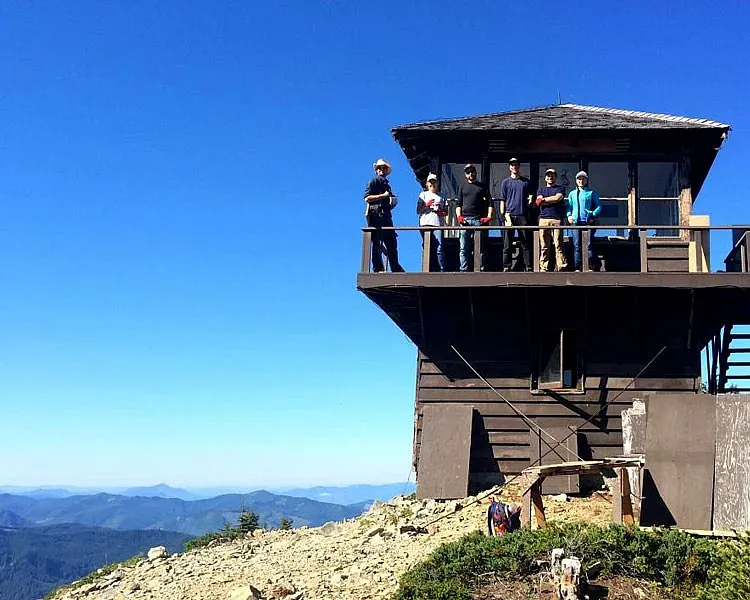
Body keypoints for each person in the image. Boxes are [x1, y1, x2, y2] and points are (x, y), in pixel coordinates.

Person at [364, 158, 404, 273]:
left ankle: (395, 267)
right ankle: (378, 268)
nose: (382, 170)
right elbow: (367, 198)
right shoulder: (373, 181)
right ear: (376, 170)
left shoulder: (387, 185)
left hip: (386, 215)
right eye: (380, 168)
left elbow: (389, 200)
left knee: (392, 242)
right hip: (376, 214)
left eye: (384, 168)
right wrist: (384, 195)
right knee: (377, 242)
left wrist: (391, 201)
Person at [456, 164, 493, 272]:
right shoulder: (462, 187)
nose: (470, 174)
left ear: (475, 172)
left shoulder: (482, 187)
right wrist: (459, 216)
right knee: (463, 247)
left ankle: (480, 269)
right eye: (468, 172)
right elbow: (458, 204)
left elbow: (490, 203)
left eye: (472, 171)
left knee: (480, 247)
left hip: (478, 220)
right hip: (465, 220)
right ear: (465, 174)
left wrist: (489, 217)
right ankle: (464, 269)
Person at [499, 158, 532, 271]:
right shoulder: (505, 182)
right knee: (507, 243)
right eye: (512, 165)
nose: (514, 167)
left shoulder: (526, 182)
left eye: (516, 165)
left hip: (522, 215)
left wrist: (530, 201)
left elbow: (531, 196)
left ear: (519, 166)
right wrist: (503, 215)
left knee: (525, 243)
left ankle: (528, 266)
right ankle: (506, 266)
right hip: (509, 215)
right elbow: (502, 200)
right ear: (509, 167)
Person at [566, 171, 602, 271]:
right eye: (579, 179)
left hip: (588, 221)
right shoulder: (572, 193)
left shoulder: (591, 192)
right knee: (576, 245)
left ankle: (590, 266)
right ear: (576, 181)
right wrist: (569, 216)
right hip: (575, 222)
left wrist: (593, 213)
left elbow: (599, 206)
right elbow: (569, 206)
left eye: (583, 179)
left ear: (586, 180)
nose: (581, 181)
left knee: (589, 244)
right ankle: (577, 267)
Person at [536, 168, 568, 271]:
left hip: (556, 219)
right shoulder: (541, 189)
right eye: (548, 176)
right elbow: (538, 200)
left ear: (555, 177)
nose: (550, 177)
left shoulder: (560, 188)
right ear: (545, 178)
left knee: (558, 244)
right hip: (543, 219)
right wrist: (549, 200)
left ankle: (561, 265)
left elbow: (557, 198)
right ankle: (544, 267)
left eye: (552, 175)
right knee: (544, 245)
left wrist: (544, 200)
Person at [417, 172, 446, 272]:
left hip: (438, 224)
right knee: (427, 246)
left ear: (437, 183)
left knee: (439, 247)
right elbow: (418, 210)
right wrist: (427, 206)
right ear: (427, 184)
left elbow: (445, 212)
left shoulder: (441, 196)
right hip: (425, 224)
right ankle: (428, 269)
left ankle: (440, 270)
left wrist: (440, 211)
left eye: (434, 182)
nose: (432, 184)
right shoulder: (423, 195)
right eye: (430, 182)